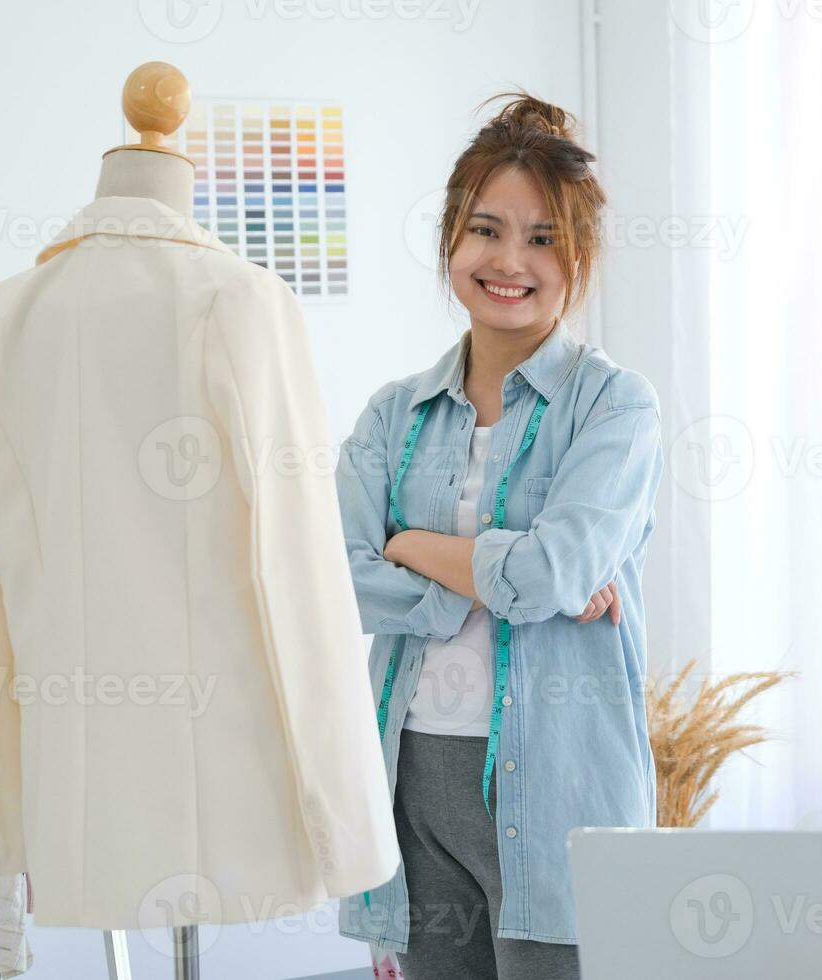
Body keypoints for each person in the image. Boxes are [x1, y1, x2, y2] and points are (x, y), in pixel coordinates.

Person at [336, 92, 665, 980]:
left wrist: (407, 542)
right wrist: (506, 575)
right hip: (413, 784)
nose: (509, 261)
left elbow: (555, 571)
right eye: (486, 229)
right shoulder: (391, 414)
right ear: (451, 238)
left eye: (543, 238)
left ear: (580, 257)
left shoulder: (614, 406)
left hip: (565, 789)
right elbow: (334, 581)